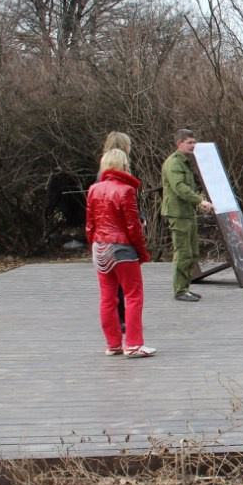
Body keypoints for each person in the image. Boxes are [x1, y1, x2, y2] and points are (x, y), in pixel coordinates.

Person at [86, 148, 154, 357]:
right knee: (133, 295)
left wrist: (93, 245)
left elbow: (90, 225)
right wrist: (142, 252)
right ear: (124, 166)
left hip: (100, 246)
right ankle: (133, 344)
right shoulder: (126, 190)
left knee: (107, 297)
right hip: (122, 247)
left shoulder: (93, 189)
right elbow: (133, 226)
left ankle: (113, 344)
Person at [161, 129, 214, 302]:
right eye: (190, 142)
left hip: (187, 213)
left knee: (193, 253)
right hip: (178, 214)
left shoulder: (185, 162)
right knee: (183, 252)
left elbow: (189, 189)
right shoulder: (174, 163)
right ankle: (180, 290)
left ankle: (185, 288)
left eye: (194, 142)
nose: (193, 145)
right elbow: (180, 188)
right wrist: (199, 201)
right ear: (179, 144)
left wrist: (198, 204)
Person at [100, 131, 135, 334]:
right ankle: (121, 320)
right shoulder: (119, 176)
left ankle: (114, 333)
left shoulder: (104, 174)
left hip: (103, 239)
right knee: (122, 287)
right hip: (117, 238)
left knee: (112, 288)